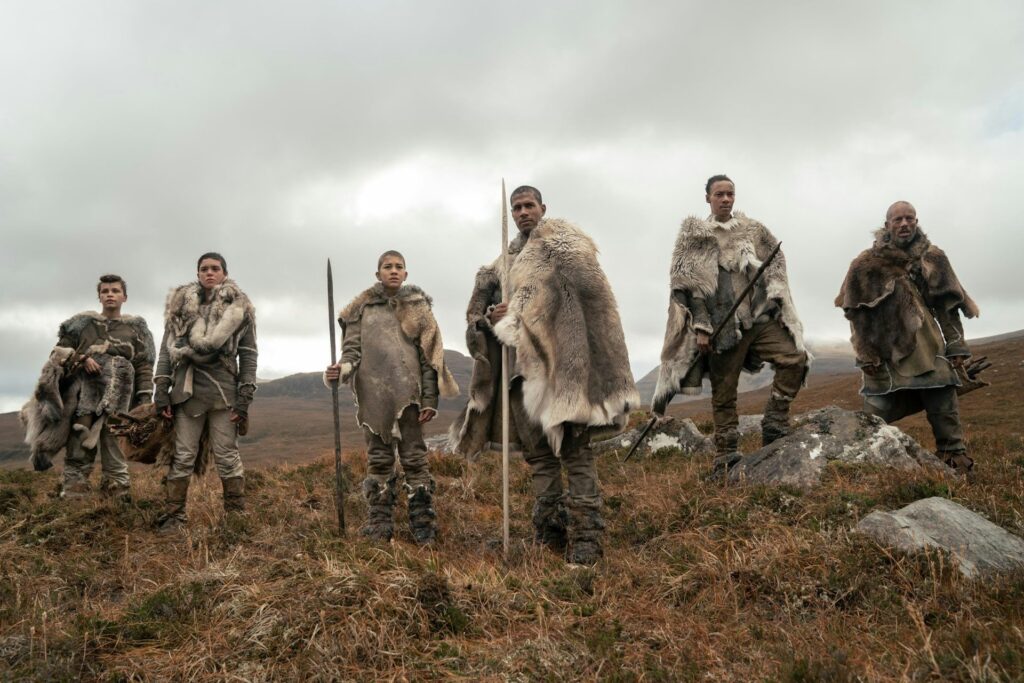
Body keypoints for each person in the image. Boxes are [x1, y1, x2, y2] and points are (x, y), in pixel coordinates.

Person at [449, 186, 638, 565]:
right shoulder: (499, 266)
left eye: (528, 205)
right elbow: (477, 320)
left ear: (542, 208)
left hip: (564, 373)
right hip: (521, 377)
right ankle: (550, 534)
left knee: (576, 453)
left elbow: (588, 303)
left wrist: (520, 310)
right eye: (516, 207)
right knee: (540, 457)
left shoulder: (566, 248)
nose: (522, 212)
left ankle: (587, 538)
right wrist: (488, 318)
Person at [652, 175, 809, 474]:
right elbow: (687, 286)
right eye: (719, 194)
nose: (725, 199)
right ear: (708, 198)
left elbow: (776, 260)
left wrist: (775, 289)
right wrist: (701, 326)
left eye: (730, 194)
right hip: (720, 325)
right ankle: (726, 454)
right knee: (724, 392)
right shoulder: (694, 237)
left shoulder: (753, 230)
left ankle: (774, 422)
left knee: (795, 358)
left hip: (757, 319)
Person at [325, 251, 458, 544]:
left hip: (409, 398)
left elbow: (429, 358)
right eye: (388, 267)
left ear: (406, 274)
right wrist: (341, 370)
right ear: (378, 274)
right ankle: (379, 523)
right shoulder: (360, 310)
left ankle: (423, 524)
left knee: (415, 459)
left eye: (399, 267)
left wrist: (429, 400)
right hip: (374, 397)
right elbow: (351, 352)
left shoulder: (418, 309)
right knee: (379, 459)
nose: (393, 271)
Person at [836, 201, 978, 474]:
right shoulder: (866, 264)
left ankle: (955, 461)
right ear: (887, 225)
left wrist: (956, 345)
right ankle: (863, 466)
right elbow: (856, 314)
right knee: (875, 414)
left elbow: (947, 307)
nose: (904, 224)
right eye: (898, 219)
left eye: (909, 218)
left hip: (927, 345)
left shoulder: (932, 257)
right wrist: (865, 354)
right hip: (883, 350)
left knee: (943, 400)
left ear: (916, 221)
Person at [21, 274, 155, 501]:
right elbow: (57, 354)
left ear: (124, 297)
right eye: (105, 291)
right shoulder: (82, 325)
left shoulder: (136, 330)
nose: (110, 295)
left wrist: (144, 399)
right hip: (84, 395)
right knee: (79, 444)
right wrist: (82, 359)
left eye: (115, 291)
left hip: (121, 396)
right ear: (99, 297)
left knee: (115, 445)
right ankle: (75, 495)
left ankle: (117, 496)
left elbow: (144, 366)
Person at [153, 252, 257, 531]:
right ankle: (174, 516)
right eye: (204, 269)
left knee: (227, 455)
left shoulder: (240, 309)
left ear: (225, 273)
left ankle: (235, 516)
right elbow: (166, 352)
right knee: (183, 455)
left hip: (224, 393)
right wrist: (161, 388)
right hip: (186, 392)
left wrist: (245, 396)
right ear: (197, 273)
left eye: (215, 268)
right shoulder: (180, 309)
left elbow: (248, 355)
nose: (209, 273)